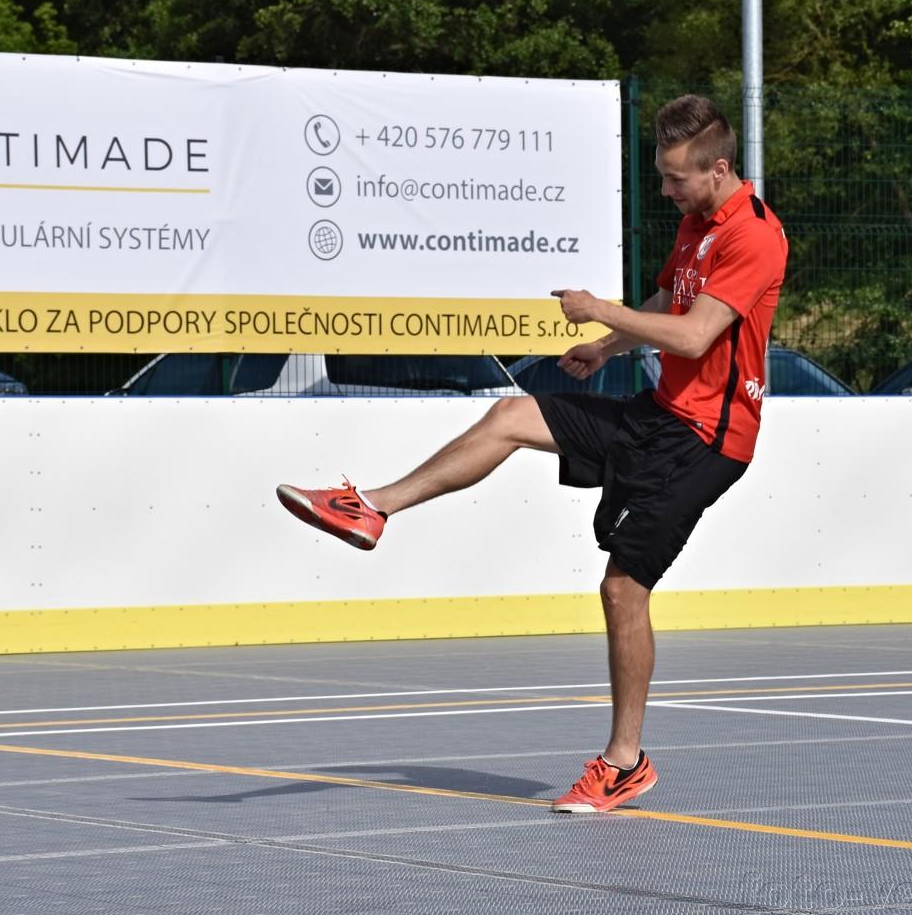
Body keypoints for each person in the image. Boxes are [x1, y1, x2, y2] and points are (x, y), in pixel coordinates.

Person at [276, 94, 787, 813]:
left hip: (706, 441)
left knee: (623, 589)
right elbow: (667, 302)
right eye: (662, 177)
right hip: (659, 414)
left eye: (676, 179)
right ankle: (371, 508)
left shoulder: (754, 235)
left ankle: (625, 762)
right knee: (512, 414)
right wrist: (606, 346)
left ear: (719, 169)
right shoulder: (696, 224)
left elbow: (696, 334)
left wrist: (599, 309)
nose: (666, 190)